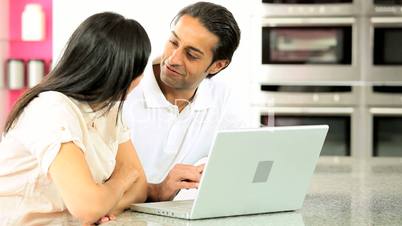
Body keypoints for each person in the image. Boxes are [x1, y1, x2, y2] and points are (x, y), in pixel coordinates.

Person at [0, 12, 151, 225]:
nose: (141, 80)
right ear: (124, 75)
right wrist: (122, 179)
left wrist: (103, 205)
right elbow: (89, 205)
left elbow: (140, 188)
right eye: (140, 71)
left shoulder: (109, 110)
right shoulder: (52, 109)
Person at [123, 1, 247, 202]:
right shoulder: (123, 87)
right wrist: (157, 190)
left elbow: (247, 158)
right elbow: (89, 186)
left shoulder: (222, 99)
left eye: (191, 54)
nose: (173, 59)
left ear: (217, 66)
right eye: (173, 42)